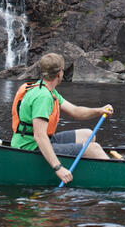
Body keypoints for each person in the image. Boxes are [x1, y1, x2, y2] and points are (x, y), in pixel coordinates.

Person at [11, 52, 114, 184]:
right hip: (30, 147)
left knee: (88, 135)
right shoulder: (43, 97)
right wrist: (58, 168)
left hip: (37, 140)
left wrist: (99, 111)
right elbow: (39, 136)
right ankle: (114, 176)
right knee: (94, 148)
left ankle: (88, 168)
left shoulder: (45, 88)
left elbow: (75, 111)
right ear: (60, 74)